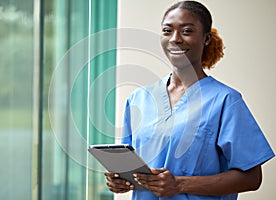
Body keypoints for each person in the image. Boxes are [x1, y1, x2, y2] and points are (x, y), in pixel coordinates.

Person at [104, 1, 275, 199]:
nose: (175, 39)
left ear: (207, 39)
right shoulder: (139, 99)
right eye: (167, 31)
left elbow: (251, 178)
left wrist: (179, 184)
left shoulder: (226, 101)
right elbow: (134, 167)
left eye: (186, 31)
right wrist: (119, 179)